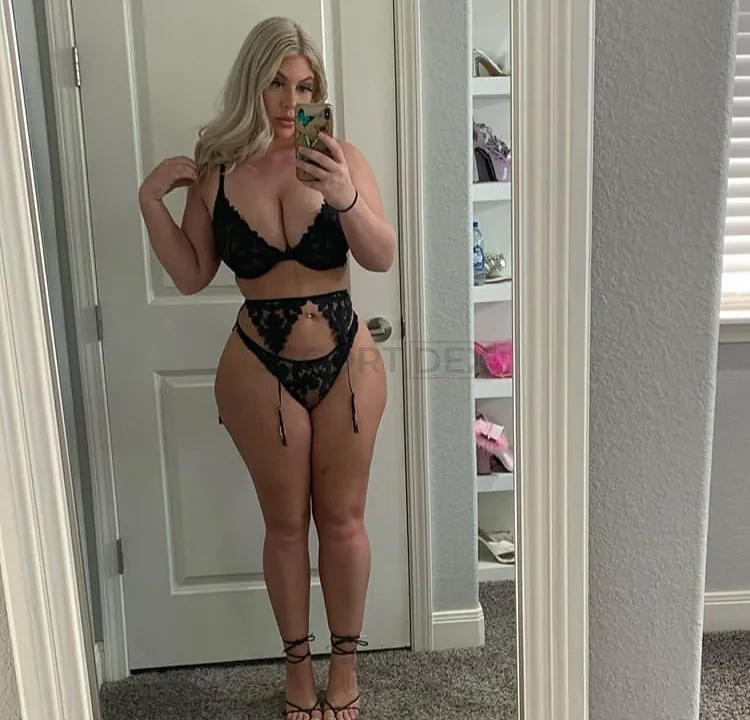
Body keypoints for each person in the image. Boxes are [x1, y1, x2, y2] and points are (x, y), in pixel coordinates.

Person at [137, 15, 396, 720]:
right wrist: (149, 203)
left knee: (343, 522)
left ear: (319, 92)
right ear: (251, 85)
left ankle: (346, 669)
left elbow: (380, 256)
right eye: (276, 84)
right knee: (285, 527)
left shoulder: (340, 158)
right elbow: (192, 274)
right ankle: (297, 672)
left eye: (305, 86)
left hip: (347, 359)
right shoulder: (218, 171)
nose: (290, 101)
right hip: (258, 365)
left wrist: (343, 195)